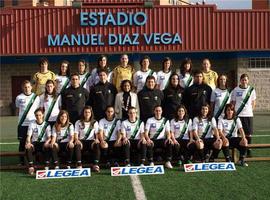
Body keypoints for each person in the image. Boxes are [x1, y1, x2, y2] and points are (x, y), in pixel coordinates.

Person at [15, 80, 40, 165]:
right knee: (22, 143)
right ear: (23, 88)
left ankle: (34, 160)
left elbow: (38, 110)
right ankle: (21, 161)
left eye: (28, 87)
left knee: (34, 142)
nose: (27, 88)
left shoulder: (36, 97)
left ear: (31, 87)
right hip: (22, 124)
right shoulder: (19, 97)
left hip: (33, 124)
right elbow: (18, 109)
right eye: (25, 87)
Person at [231, 73, 256, 157]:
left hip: (248, 115)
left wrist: (249, 110)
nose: (244, 81)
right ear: (240, 80)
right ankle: (240, 150)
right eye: (242, 80)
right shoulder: (235, 90)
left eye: (246, 80)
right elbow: (233, 103)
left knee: (248, 133)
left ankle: (248, 149)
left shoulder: (252, 89)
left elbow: (253, 102)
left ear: (248, 81)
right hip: (238, 115)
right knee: (238, 133)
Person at [25, 108, 51, 175]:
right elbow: (28, 136)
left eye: (40, 115)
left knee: (48, 146)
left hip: (43, 143)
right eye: (36, 115)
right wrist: (29, 143)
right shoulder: (32, 124)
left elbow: (49, 137)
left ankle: (46, 166)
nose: (38, 117)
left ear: (43, 115)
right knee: (28, 147)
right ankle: (31, 167)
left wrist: (47, 142)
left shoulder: (47, 125)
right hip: (35, 143)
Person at [73, 106, 100, 171]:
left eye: (89, 112)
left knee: (97, 144)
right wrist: (76, 140)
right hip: (81, 141)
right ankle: (79, 164)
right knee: (77, 145)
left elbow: (97, 133)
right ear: (83, 113)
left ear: (91, 113)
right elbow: (76, 133)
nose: (87, 114)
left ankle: (95, 165)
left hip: (91, 141)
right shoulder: (78, 122)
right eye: (85, 112)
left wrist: (96, 139)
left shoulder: (95, 122)